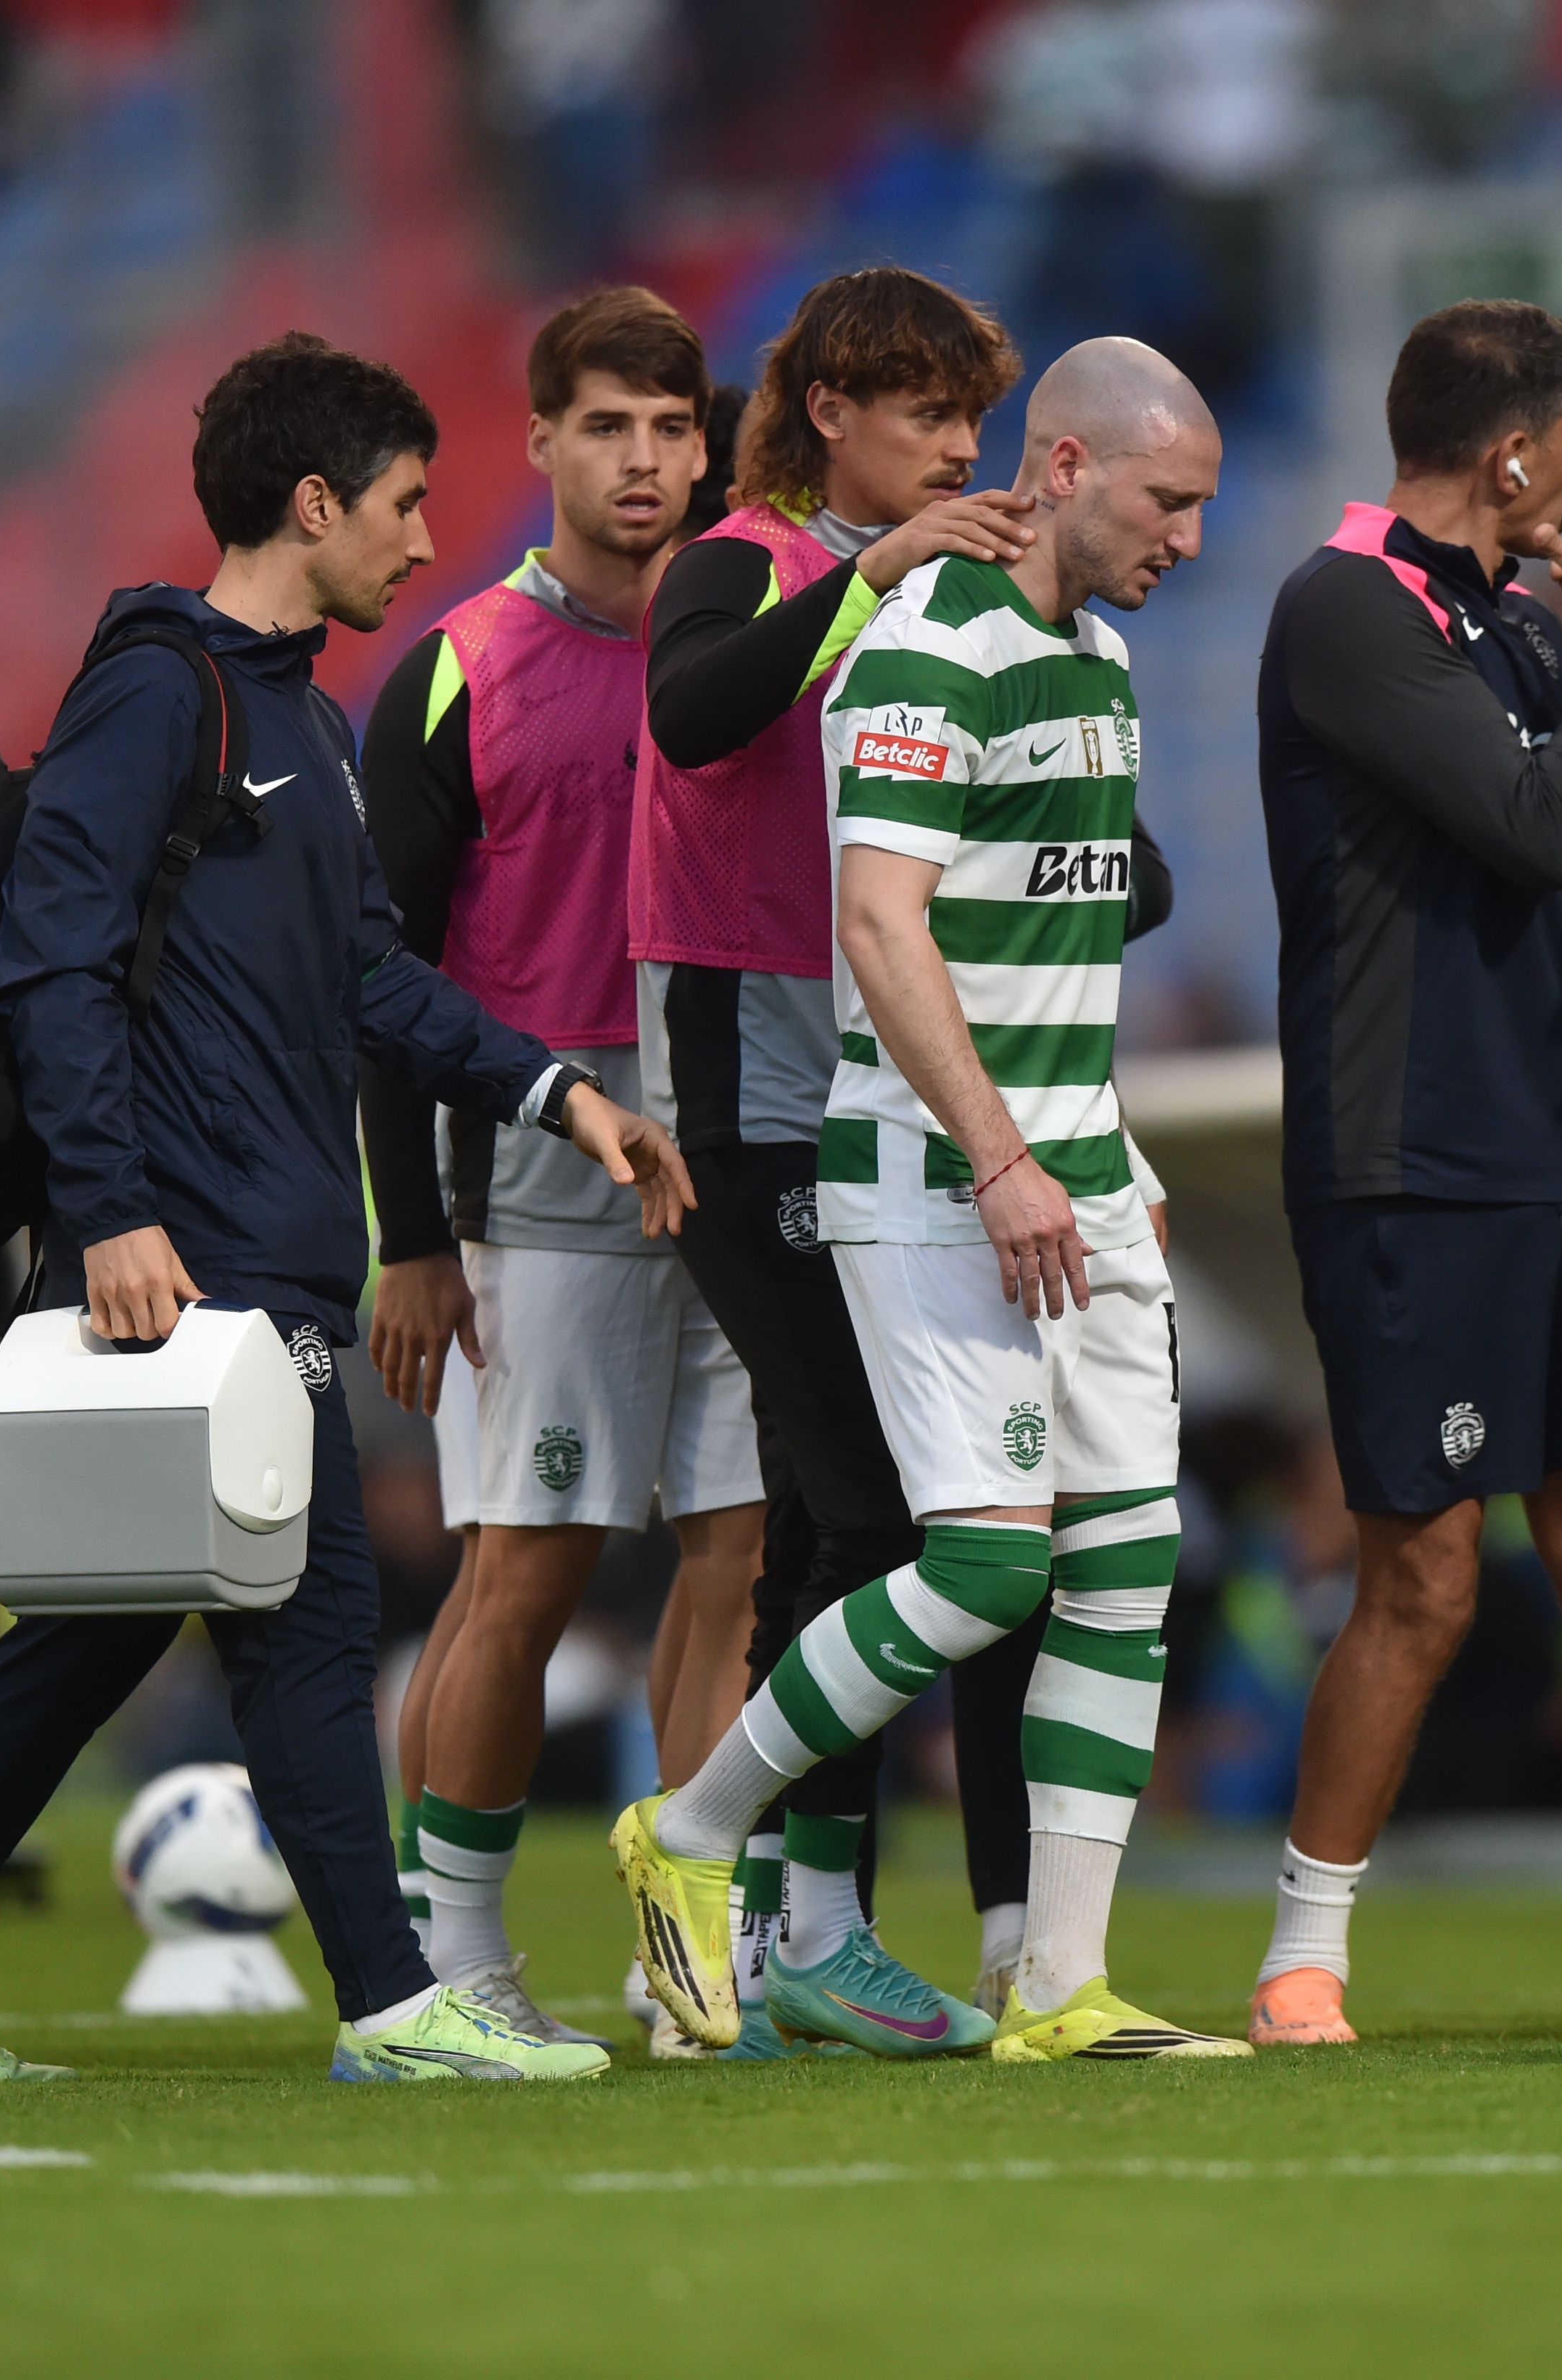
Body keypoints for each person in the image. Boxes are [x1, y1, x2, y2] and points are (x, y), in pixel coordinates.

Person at [0, 333, 688, 2088]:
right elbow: (51, 957)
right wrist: (110, 1211)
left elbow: (373, 975)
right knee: (313, 1622)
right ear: (314, 502)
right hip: (190, 1254)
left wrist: (555, 1092)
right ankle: (395, 2004)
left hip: (258, 1239)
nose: (423, 539)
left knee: (98, 1632)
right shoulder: (159, 692)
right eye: (406, 503)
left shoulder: (308, 719)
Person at [614, 336, 1242, 2062]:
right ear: (1064, 467)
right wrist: (1002, 1156)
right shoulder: (925, 642)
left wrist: (1108, 1154)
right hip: (933, 1179)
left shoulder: (1102, 660)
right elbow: (879, 926)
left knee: (1124, 1563)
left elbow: (1057, 959)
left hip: (1077, 1179)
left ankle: (1060, 1984)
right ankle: (687, 1829)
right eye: (1167, 500)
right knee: (977, 1564)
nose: (1188, 538)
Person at [1245, 299, 1562, 2051]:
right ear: (1512, 454)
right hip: (1412, 1159)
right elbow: (1531, 823)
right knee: (1426, 1569)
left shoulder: (1514, 624)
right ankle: (1303, 1955)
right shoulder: (1343, 607)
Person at [628, 266, 1048, 2032]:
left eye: (971, 418)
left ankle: (771, 1928)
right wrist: (871, 581)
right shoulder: (740, 561)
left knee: (827, 1510)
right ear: (829, 412)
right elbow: (690, 713)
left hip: (884, 1099)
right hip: (751, 1095)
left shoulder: (954, 592)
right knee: (875, 1513)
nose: (960, 449)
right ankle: (786, 1916)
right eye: (926, 413)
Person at [354, 287, 765, 2055]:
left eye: (673, 426)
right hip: (533, 1177)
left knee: (740, 1556)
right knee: (521, 1574)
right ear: (537, 441)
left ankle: (690, 1962)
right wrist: (412, 1233)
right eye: (607, 425)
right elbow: (380, 979)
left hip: (739, 1144)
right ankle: (450, 1958)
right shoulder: (455, 668)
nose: (645, 459)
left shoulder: (752, 644)